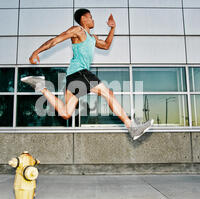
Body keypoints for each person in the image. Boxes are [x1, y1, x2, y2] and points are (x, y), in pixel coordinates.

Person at [21, 8, 153, 140]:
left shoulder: (91, 37)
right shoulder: (78, 30)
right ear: (83, 19)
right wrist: (36, 52)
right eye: (90, 17)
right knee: (108, 93)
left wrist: (112, 28)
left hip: (72, 76)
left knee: (66, 112)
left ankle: (41, 87)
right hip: (80, 73)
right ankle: (131, 127)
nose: (93, 19)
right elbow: (55, 40)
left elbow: (106, 45)